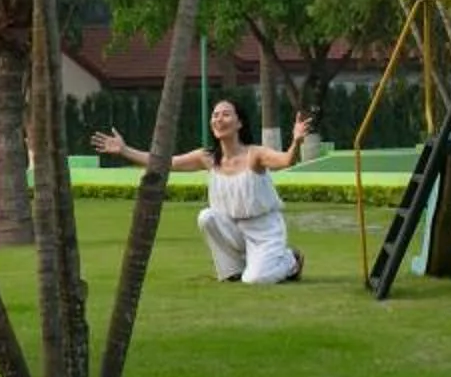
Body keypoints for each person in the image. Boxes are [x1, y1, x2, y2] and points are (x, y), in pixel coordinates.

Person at [91, 100, 312, 286]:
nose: (218, 119)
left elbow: (285, 160)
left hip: (264, 229)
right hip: (232, 227)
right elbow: (166, 163)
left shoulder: (255, 154)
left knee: (256, 280)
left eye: (226, 114)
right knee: (206, 217)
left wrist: (296, 141)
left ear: (239, 123)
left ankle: (290, 260)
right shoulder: (207, 157)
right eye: (215, 115)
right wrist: (124, 150)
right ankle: (232, 270)